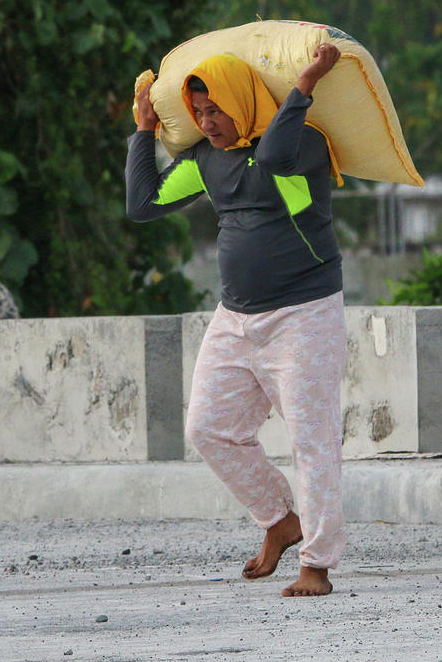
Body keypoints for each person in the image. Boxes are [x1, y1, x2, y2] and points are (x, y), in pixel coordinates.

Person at [125, 43, 348, 597]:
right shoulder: (205, 159)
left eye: (217, 110)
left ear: (242, 101)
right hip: (235, 318)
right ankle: (279, 520)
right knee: (208, 429)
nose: (207, 122)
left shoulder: (306, 143)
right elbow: (142, 204)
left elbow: (271, 159)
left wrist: (304, 86)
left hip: (305, 313)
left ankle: (316, 563)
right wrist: (145, 131)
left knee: (311, 440)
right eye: (198, 113)